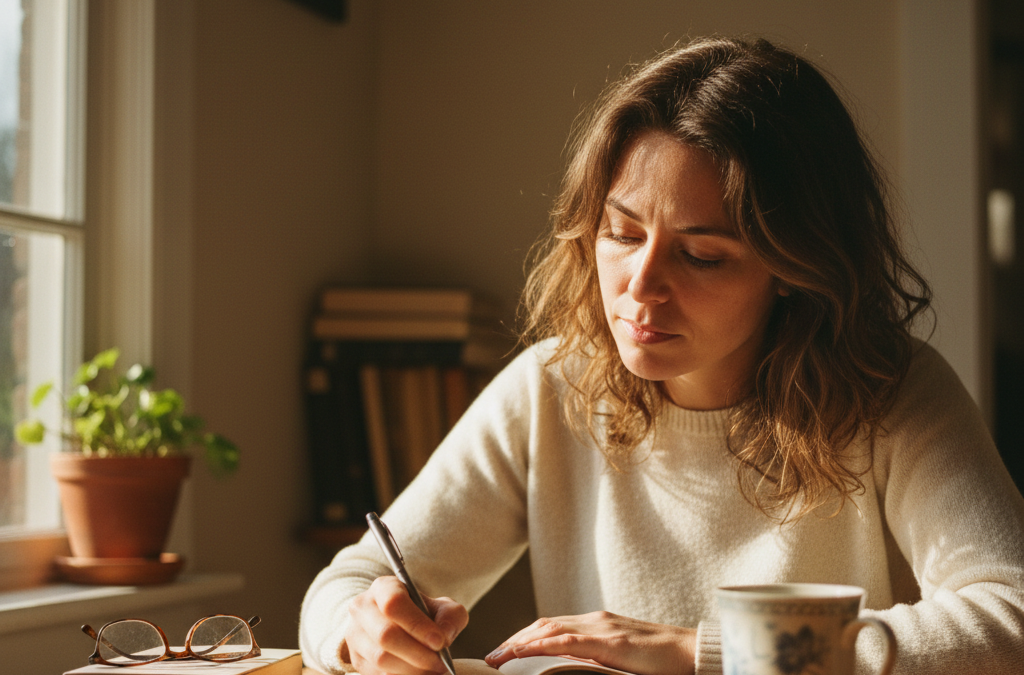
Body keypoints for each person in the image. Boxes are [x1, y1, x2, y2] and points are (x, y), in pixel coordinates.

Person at [299, 36, 1024, 675]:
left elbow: (1011, 619)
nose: (640, 286)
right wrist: (361, 635)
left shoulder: (892, 392)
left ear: (795, 271)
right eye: (620, 232)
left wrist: (700, 652)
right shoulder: (552, 386)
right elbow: (349, 581)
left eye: (702, 255)